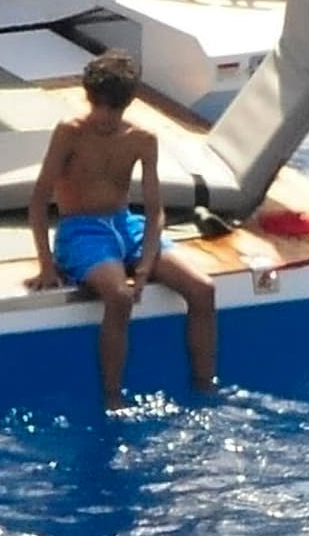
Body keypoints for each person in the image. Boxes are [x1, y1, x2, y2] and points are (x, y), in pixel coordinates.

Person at [26, 49, 217, 411]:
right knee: (120, 297)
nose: (106, 117)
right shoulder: (70, 133)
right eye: (100, 106)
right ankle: (113, 398)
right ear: (89, 99)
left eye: (115, 108)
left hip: (127, 224)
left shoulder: (142, 139)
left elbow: (155, 208)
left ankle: (204, 386)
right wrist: (46, 264)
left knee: (203, 289)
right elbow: (38, 200)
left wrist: (146, 262)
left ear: (128, 104)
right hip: (81, 232)